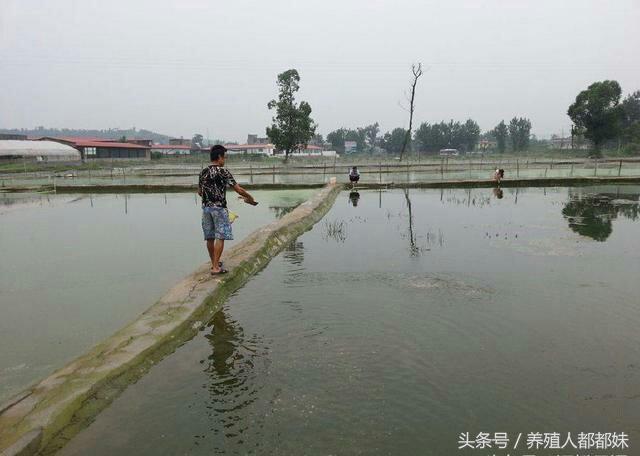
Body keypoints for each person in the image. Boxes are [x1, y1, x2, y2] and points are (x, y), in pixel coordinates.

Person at [198, 145, 257, 275]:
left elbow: (199, 192)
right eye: (224, 157)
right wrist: (250, 197)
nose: (225, 160)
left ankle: (215, 263)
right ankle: (215, 268)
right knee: (220, 236)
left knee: (209, 237)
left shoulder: (203, 172)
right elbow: (238, 189)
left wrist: (210, 198)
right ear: (219, 157)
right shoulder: (223, 171)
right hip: (219, 208)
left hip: (206, 209)